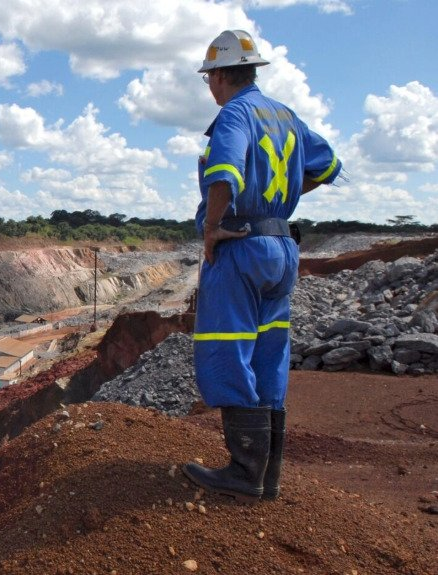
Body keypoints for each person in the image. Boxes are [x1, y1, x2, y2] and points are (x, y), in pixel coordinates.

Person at [183, 30, 342, 503]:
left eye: (209, 76)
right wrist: (283, 199)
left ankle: (243, 471)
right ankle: (268, 477)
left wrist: (213, 228)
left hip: (242, 246)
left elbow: (224, 172)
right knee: (269, 351)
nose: (209, 86)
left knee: (226, 348)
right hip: (281, 246)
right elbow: (328, 165)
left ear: (220, 76)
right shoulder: (286, 116)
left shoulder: (234, 114)